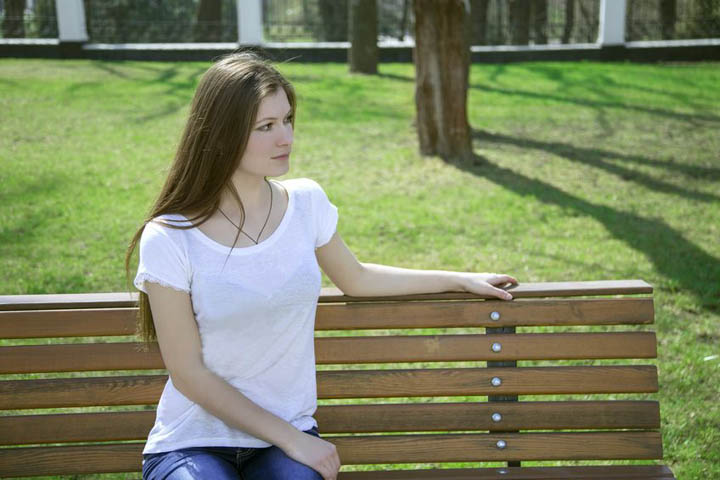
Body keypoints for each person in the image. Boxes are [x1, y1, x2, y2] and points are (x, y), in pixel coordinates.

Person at [124, 51, 517, 480]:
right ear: (219, 136)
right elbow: (189, 374)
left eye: (288, 120)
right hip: (193, 444)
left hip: (285, 440)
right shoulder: (170, 236)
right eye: (266, 127)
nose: (286, 138)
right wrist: (293, 440)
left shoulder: (305, 204)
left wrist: (458, 280)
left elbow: (357, 278)